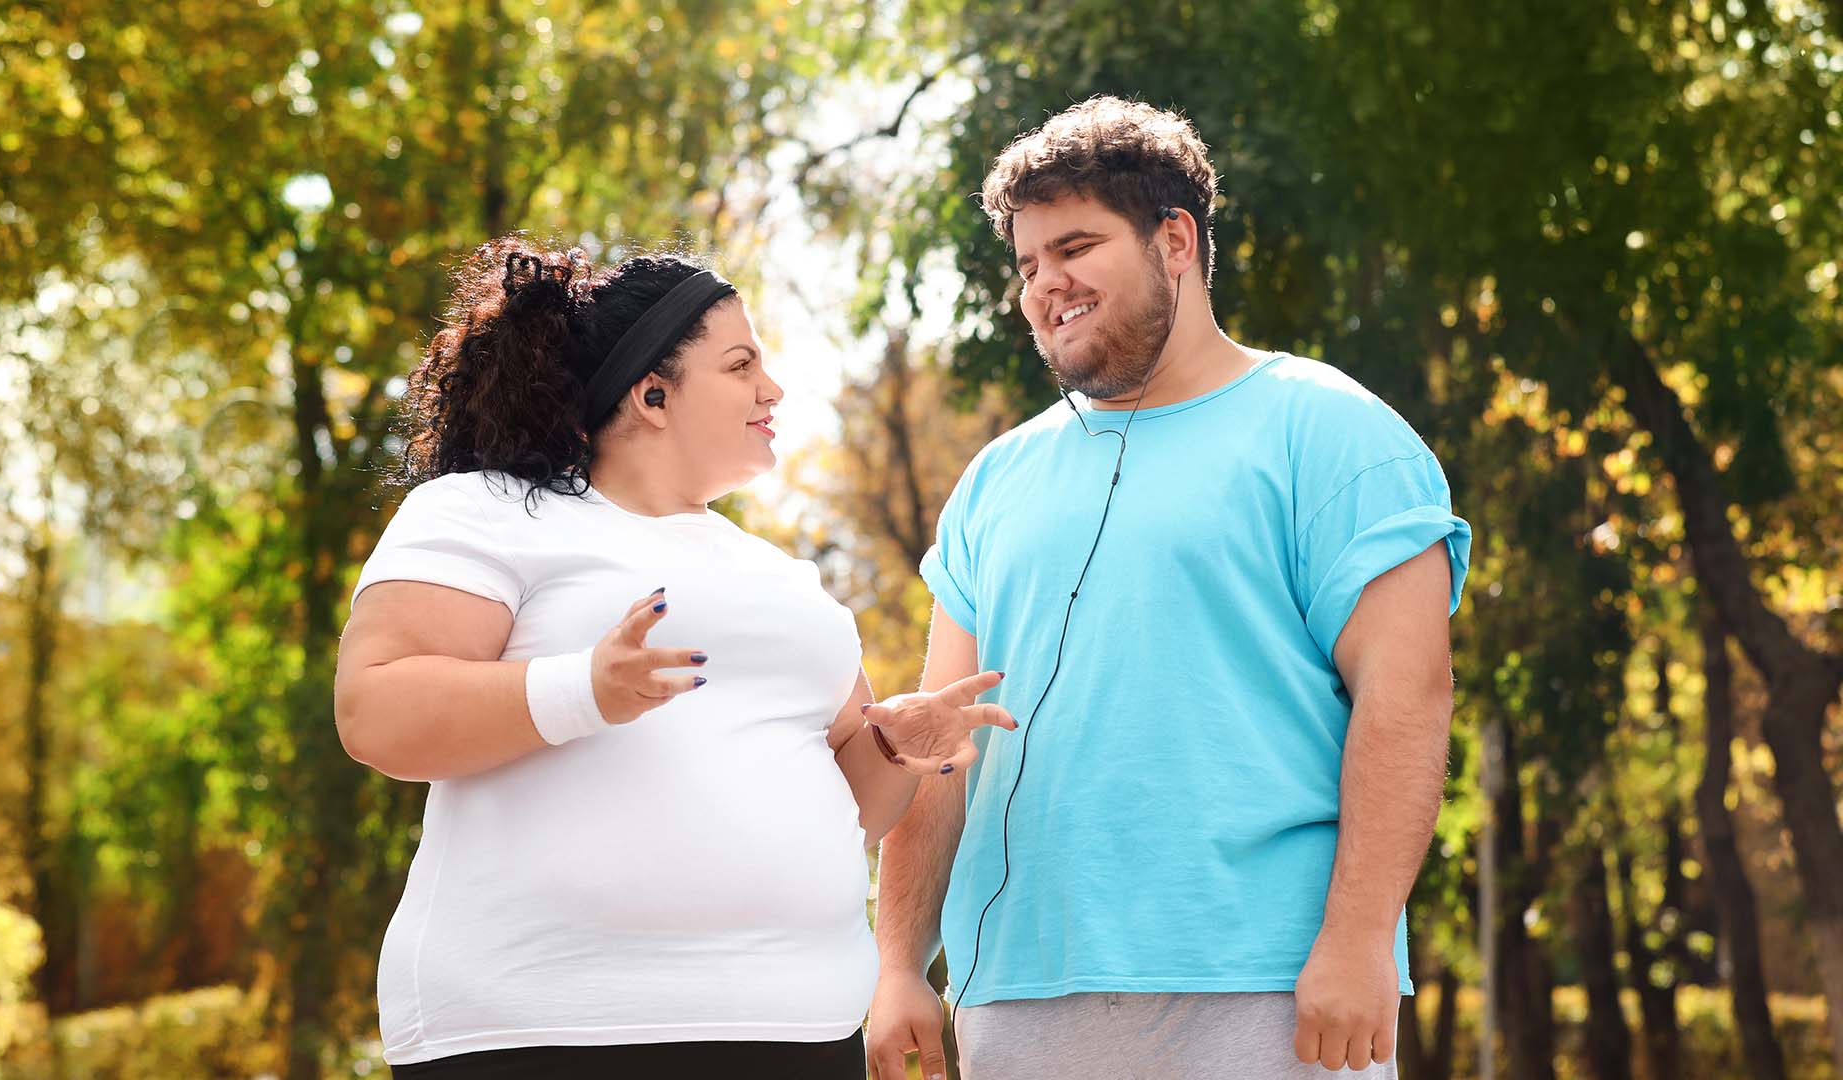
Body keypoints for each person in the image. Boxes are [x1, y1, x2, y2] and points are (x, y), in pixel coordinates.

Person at [864, 96, 1473, 1079]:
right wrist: (897, 963)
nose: (1044, 285)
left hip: (1268, 987)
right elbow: (947, 747)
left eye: (1075, 247)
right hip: (1018, 991)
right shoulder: (994, 480)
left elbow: (1407, 700)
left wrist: (1360, 939)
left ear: (1175, 240)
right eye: (1026, 264)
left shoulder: (1334, 432)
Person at [333, 237, 1015, 1078]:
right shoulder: (486, 512)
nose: (773, 389)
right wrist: (583, 690)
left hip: (797, 1036)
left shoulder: (789, 582)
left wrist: (896, 747)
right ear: (653, 394)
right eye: (740, 366)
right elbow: (376, 710)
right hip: (536, 1032)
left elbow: (852, 811)